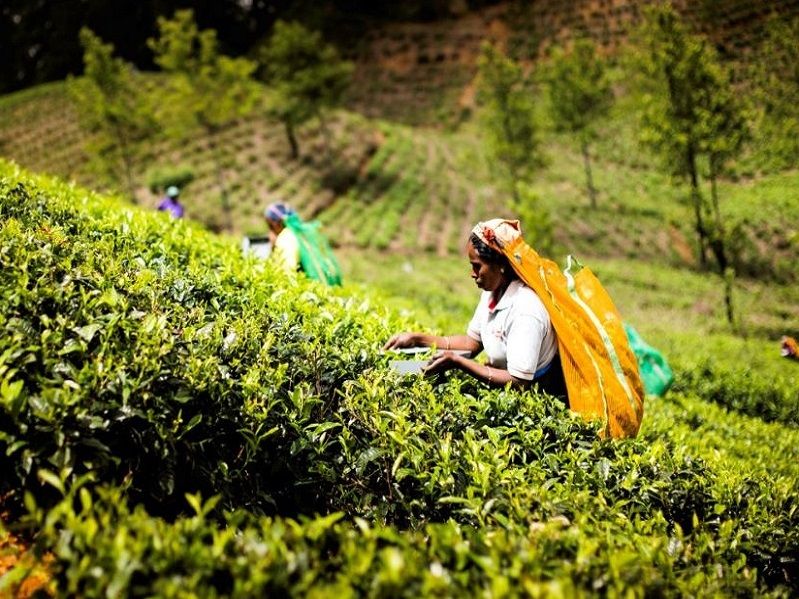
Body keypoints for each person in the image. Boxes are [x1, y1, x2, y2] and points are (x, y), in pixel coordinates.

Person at [384, 220, 567, 401]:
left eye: (477, 266)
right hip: (506, 391)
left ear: (501, 265)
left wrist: (459, 362)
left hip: (541, 394)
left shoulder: (526, 310)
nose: (472, 273)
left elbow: (519, 381)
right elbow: (471, 343)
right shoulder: (492, 293)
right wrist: (417, 339)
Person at [264, 202, 301, 275]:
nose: (270, 232)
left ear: (276, 224)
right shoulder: (297, 233)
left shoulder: (285, 239)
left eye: (270, 226)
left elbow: (288, 272)